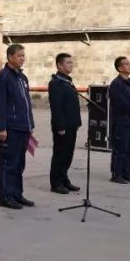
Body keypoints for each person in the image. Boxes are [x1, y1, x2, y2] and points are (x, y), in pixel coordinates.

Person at [0, 44, 36, 210]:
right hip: (10, 128)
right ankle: (6, 197)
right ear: (10, 57)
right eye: (19, 55)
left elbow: (27, 104)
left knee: (19, 164)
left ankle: (17, 194)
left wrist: (30, 124)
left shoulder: (22, 78)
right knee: (8, 163)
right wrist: (1, 128)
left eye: (24, 56)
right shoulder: (2, 77)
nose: (22, 58)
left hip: (24, 127)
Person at [48, 53, 82, 194]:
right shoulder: (56, 83)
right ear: (59, 65)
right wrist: (60, 126)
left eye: (71, 62)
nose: (71, 65)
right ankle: (56, 183)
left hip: (71, 124)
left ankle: (64, 179)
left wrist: (77, 122)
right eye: (67, 63)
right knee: (60, 154)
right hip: (62, 126)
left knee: (68, 154)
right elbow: (56, 107)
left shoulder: (67, 81)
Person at [109, 56, 130, 184]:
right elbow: (121, 103)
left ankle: (126, 173)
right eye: (126, 64)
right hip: (121, 122)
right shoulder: (116, 84)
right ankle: (116, 175)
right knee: (120, 150)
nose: (129, 66)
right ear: (119, 68)